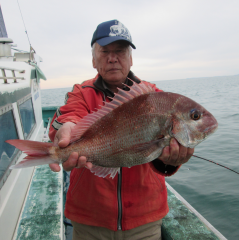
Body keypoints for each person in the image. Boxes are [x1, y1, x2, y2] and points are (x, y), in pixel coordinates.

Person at [49, 20, 194, 240]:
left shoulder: (155, 98)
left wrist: (172, 160)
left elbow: (159, 154)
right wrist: (66, 129)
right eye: (105, 51)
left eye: (120, 51)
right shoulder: (81, 92)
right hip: (89, 220)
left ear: (131, 58)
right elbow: (68, 115)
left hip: (144, 220)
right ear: (93, 59)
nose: (113, 58)